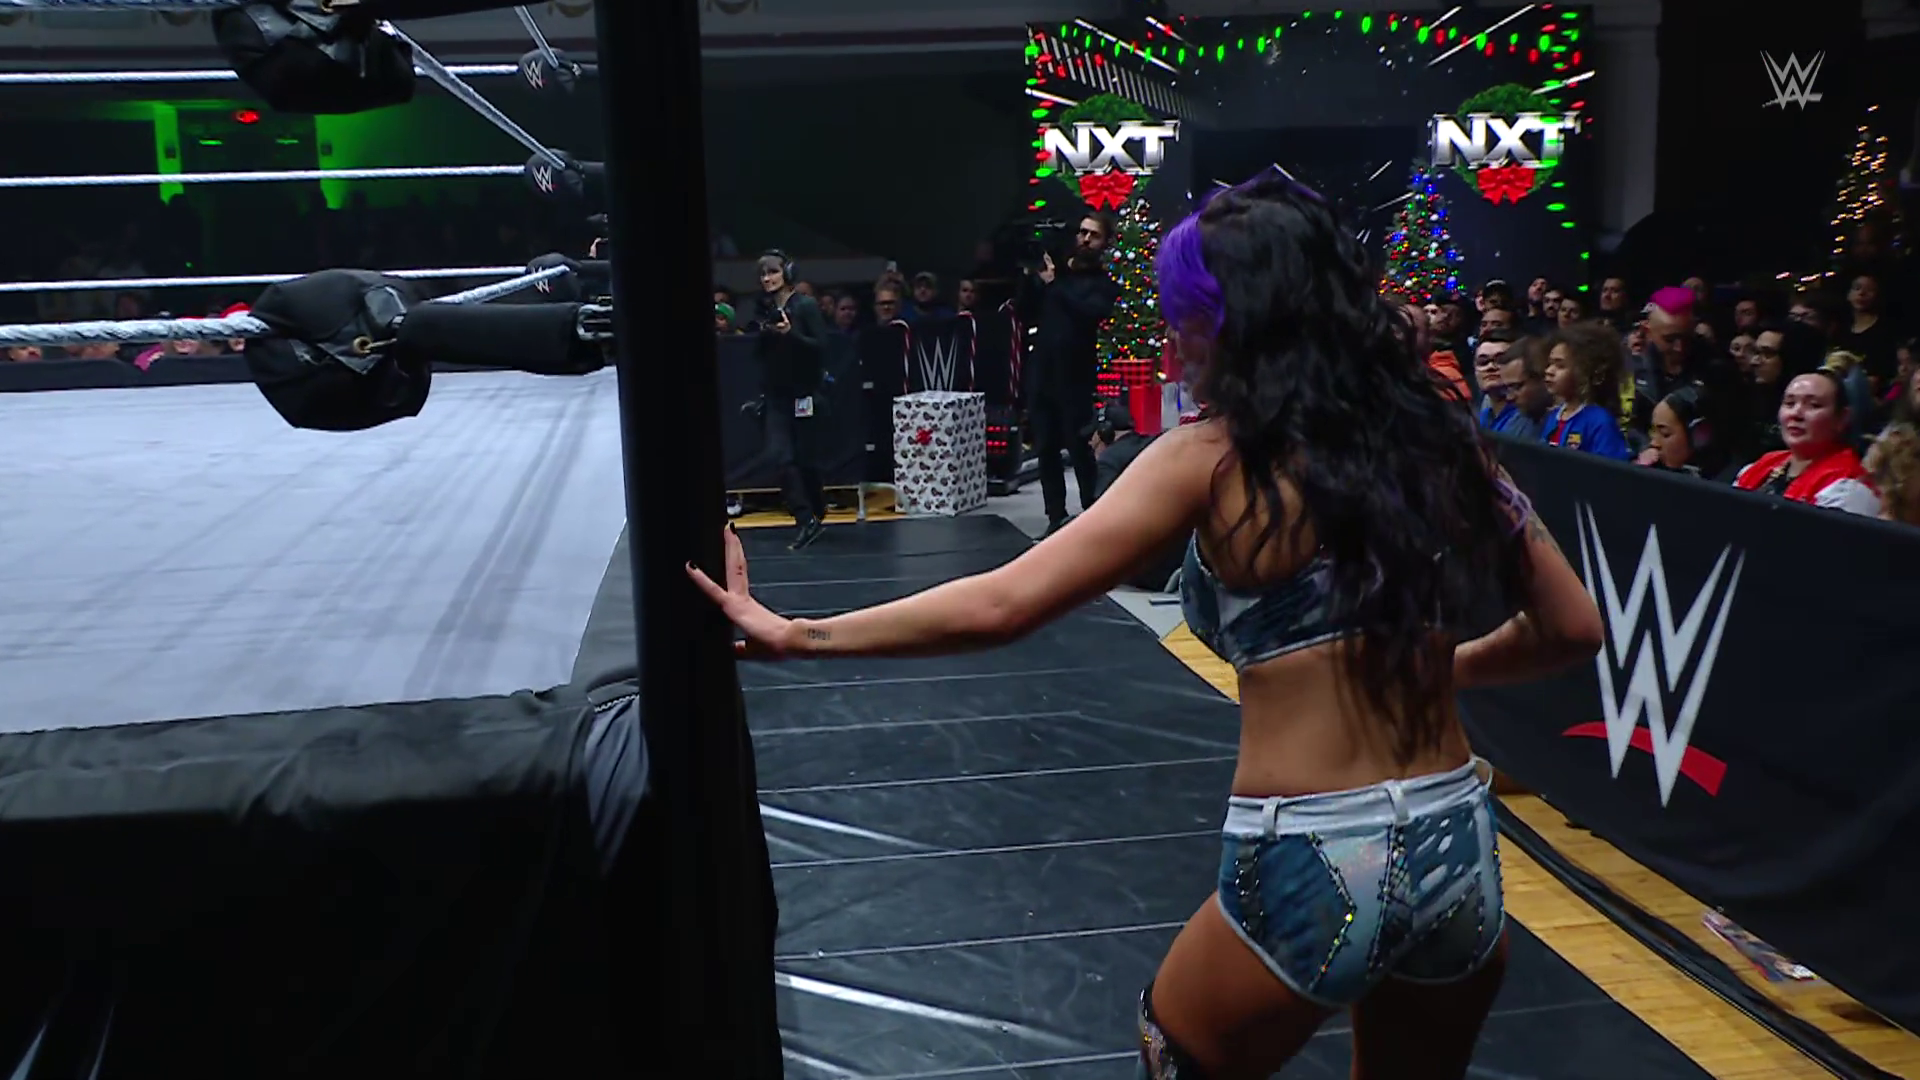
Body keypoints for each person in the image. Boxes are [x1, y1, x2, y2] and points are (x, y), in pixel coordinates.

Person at [688, 174, 1604, 1080]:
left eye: (1182, 317)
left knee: (1175, 1054)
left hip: (1318, 849)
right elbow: (1572, 628)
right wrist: (1438, 669)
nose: (1170, 337)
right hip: (1454, 839)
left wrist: (801, 634)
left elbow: (1005, 603)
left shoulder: (1211, 458)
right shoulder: (1440, 439)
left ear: (1235, 321)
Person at [1020, 210, 1121, 536]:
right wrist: (1034, 279)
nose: (1085, 239)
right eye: (1083, 232)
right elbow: (1025, 311)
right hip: (1042, 372)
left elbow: (1091, 312)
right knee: (1046, 448)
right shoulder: (1058, 274)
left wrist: (1056, 285)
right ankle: (1055, 518)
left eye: (1094, 235)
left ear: (1105, 243)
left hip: (1074, 376)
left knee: (1079, 449)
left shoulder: (1101, 284)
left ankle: (1093, 515)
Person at [751, 249, 831, 549]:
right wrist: (766, 333)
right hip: (776, 395)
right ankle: (805, 519)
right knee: (779, 456)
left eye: (772, 272)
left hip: (804, 392)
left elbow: (821, 346)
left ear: (787, 272)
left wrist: (790, 334)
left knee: (805, 461)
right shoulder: (765, 308)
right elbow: (760, 355)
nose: (767, 279)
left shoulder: (805, 306)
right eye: (763, 274)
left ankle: (816, 508)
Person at [1733, 370, 1882, 516]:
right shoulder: (1762, 464)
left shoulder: (1849, 489)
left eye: (1814, 405)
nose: (1795, 414)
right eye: (1789, 403)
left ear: (1842, 418)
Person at [1540, 322, 1633, 460]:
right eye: (1550, 364)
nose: (1549, 371)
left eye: (1560, 366)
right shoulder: (1553, 416)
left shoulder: (1600, 422)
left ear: (1589, 372)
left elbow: (1610, 469)